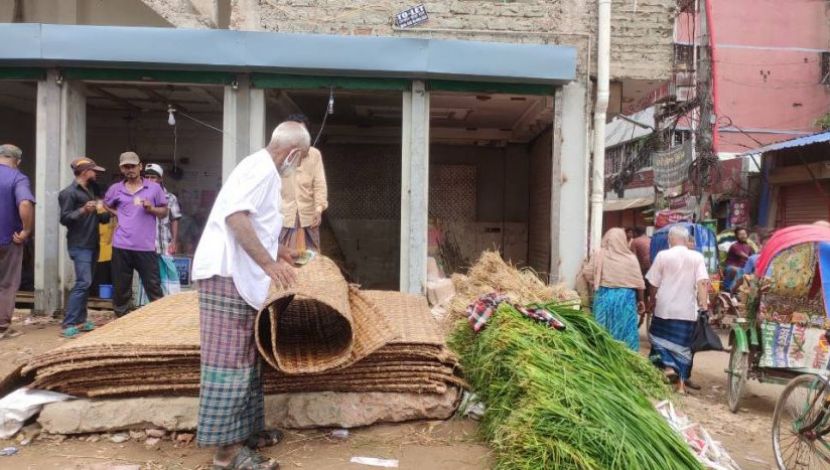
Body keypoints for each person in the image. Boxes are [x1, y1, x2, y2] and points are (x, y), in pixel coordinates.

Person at [192, 121, 307, 469]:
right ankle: (226, 455)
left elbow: (255, 222)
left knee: (248, 358)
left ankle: (248, 432)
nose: (298, 167)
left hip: (238, 277)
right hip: (227, 274)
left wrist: (280, 250)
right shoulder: (261, 170)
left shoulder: (263, 170)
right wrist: (270, 264)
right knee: (231, 363)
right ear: (293, 154)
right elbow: (236, 218)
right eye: (301, 161)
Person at [646, 225, 710, 394]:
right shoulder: (697, 257)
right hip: (686, 310)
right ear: (686, 239)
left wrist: (652, 300)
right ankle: (681, 386)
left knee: (659, 341)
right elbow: (702, 282)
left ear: (670, 239)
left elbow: (653, 283)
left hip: (664, 308)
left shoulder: (663, 256)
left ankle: (666, 368)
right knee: (683, 349)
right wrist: (703, 305)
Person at [103, 151, 168, 317]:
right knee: (121, 287)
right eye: (126, 167)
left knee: (153, 286)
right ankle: (121, 320)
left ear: (140, 166)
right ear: (121, 168)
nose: (129, 169)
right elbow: (105, 204)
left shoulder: (153, 188)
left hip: (145, 246)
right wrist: (117, 213)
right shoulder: (115, 189)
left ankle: (159, 320)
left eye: (132, 166)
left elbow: (164, 212)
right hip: (121, 245)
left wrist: (151, 208)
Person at [58, 157, 110, 338]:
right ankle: (68, 324)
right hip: (79, 244)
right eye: (93, 170)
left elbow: (103, 219)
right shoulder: (68, 193)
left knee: (86, 283)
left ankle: (80, 321)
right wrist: (83, 210)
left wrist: (103, 211)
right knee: (83, 282)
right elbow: (64, 218)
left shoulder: (92, 191)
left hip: (93, 243)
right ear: (84, 172)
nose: (96, 173)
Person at [581, 228, 645, 350]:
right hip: (626, 300)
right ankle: (627, 359)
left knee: (603, 332)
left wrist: (596, 281)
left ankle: (604, 359)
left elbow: (587, 273)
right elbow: (639, 283)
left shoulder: (599, 255)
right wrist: (641, 301)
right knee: (625, 331)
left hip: (604, 297)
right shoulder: (630, 258)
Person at [132, 163, 182, 306]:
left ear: (160, 179)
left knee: (169, 273)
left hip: (164, 243)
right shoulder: (138, 196)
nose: (150, 180)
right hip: (145, 245)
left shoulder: (170, 197)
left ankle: (171, 306)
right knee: (147, 277)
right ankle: (147, 307)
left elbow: (175, 220)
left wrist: (174, 241)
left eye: (153, 177)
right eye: (147, 177)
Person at [279, 114, 328, 253]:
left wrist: (319, 209)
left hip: (308, 217)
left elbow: (320, 185)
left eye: (303, 132)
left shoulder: (314, 154)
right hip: (283, 217)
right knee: (281, 259)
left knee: (310, 261)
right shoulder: (280, 154)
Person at [0, 144, 34, 340]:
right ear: (17, 161)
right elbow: (24, 203)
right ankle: (2, 326)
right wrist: (26, 230)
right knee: (6, 283)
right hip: (8, 240)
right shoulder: (17, 177)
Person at [724, 227, 754, 291]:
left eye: (744, 234)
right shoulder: (734, 246)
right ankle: (729, 288)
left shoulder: (749, 247)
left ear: (747, 235)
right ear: (737, 236)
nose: (743, 236)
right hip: (732, 267)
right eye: (740, 234)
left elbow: (753, 257)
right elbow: (742, 254)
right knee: (740, 270)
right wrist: (749, 258)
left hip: (744, 268)